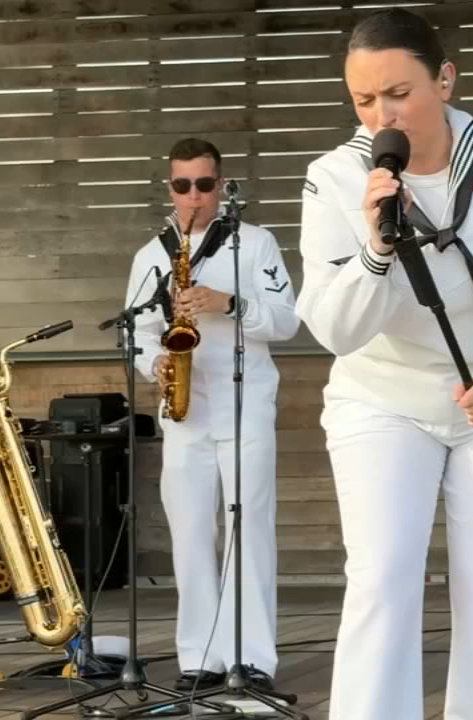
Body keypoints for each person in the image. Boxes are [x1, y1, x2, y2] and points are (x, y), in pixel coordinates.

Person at [294, 8, 473, 720]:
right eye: (364, 100)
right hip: (382, 399)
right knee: (383, 581)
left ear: (445, 79)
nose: (381, 115)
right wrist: (376, 248)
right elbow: (335, 329)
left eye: (398, 93)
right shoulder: (334, 178)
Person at [123, 137, 299, 691]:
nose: (193, 196)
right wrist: (158, 367)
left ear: (221, 186)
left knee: (250, 531)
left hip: (245, 406)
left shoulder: (256, 243)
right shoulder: (152, 255)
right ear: (169, 187)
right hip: (185, 412)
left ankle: (253, 660)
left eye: (204, 184)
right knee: (192, 535)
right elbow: (137, 335)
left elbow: (288, 320)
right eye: (182, 185)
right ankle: (199, 658)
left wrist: (227, 303)